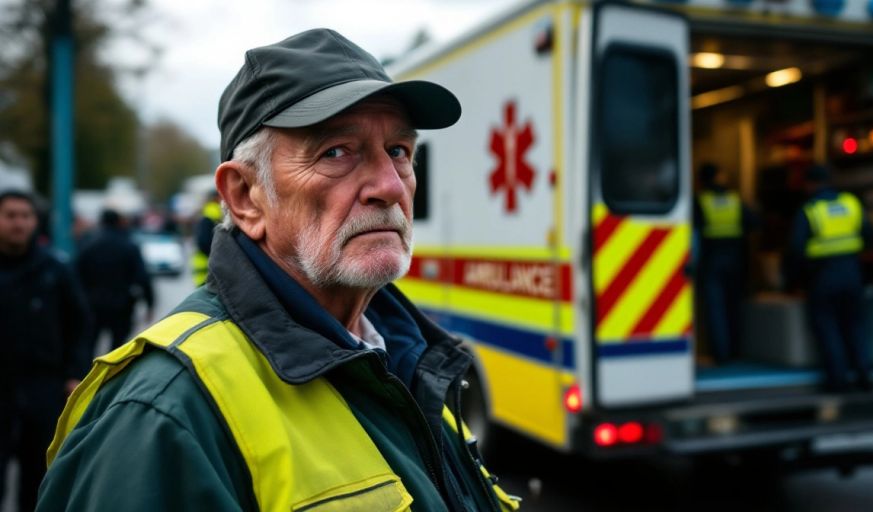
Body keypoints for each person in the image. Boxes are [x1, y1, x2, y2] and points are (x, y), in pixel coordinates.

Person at [39, 29, 520, 511]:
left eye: (398, 151)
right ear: (246, 197)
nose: (390, 186)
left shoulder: (408, 360)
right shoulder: (162, 414)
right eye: (336, 152)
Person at [0, 190, 91, 511]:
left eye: (25, 216)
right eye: (11, 216)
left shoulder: (55, 269)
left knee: (37, 475)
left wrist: (74, 374)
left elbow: (80, 325)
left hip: (43, 387)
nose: (19, 223)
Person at [784, 164, 872, 392]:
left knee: (828, 327)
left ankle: (838, 381)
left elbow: (796, 248)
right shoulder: (850, 203)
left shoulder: (810, 210)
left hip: (822, 277)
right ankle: (864, 376)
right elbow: (870, 235)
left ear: (810, 184)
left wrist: (793, 280)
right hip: (853, 274)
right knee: (856, 326)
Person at [693, 163, 755, 364]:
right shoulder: (734, 200)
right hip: (735, 259)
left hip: (711, 260)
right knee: (733, 306)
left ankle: (721, 355)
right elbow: (754, 222)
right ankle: (737, 351)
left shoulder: (700, 201)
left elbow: (693, 235)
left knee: (716, 309)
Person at [75, 208, 154, 353]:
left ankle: (88, 374)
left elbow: (76, 275)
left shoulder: (87, 244)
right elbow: (142, 277)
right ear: (118, 223)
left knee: (88, 346)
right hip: (121, 306)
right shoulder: (129, 246)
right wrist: (150, 304)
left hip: (92, 305)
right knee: (117, 349)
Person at [191, 189, 222, 286]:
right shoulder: (216, 215)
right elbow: (204, 242)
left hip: (205, 270)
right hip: (208, 270)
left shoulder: (206, 215)